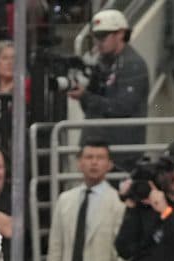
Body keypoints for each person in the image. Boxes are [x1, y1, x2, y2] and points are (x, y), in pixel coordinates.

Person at [69, 10, 148, 166]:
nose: (99, 42)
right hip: (101, 145)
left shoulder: (132, 64)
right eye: (96, 37)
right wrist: (85, 93)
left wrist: (86, 96)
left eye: (103, 36)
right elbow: (91, 107)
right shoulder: (102, 62)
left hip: (120, 151)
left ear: (120, 34)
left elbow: (123, 107)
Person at [44, 139, 128, 261]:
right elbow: (56, 248)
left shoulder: (119, 203)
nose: (94, 162)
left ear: (109, 164)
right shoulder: (65, 200)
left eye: (100, 158)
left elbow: (123, 254)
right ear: (79, 163)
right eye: (89, 157)